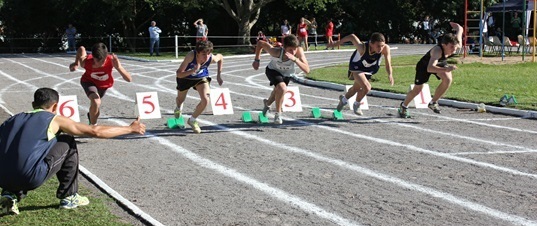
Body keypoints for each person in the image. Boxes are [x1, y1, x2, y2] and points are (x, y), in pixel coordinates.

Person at [0, 87, 146, 215]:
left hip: (2, 177)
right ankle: (69, 196)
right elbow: (95, 131)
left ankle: (9, 194)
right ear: (56, 106)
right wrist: (129, 128)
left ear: (33, 105)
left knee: (16, 148)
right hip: (29, 177)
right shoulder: (54, 119)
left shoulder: (12, 120)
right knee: (67, 141)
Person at [398, 22, 463, 118]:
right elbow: (430, 68)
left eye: (455, 47)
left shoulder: (456, 45)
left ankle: (433, 102)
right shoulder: (437, 51)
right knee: (417, 90)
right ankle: (403, 106)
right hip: (425, 66)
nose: (454, 50)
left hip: (440, 62)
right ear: (444, 45)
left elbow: (460, 32)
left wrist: (458, 27)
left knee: (448, 79)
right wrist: (446, 69)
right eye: (451, 47)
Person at [330, 33, 394, 115]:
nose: (380, 48)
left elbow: (388, 63)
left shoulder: (385, 48)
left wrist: (390, 74)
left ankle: (343, 100)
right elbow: (352, 37)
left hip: (368, 69)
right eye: (378, 46)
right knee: (367, 87)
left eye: (382, 45)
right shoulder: (362, 47)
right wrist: (336, 43)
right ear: (371, 43)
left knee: (355, 89)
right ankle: (356, 104)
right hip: (357, 67)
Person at [69, 43, 132, 125]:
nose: (100, 64)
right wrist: (76, 63)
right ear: (92, 57)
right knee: (96, 101)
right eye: (96, 61)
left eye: (103, 61)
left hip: (103, 85)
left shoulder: (112, 60)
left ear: (106, 57)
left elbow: (129, 79)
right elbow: (81, 48)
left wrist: (118, 67)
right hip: (88, 82)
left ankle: (91, 116)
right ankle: (93, 126)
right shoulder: (86, 62)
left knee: (95, 106)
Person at [252, 35, 310, 124]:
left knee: (278, 91)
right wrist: (257, 60)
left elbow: (307, 70)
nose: (293, 52)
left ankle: (267, 104)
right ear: (284, 48)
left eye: (295, 49)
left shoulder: (298, 52)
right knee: (282, 88)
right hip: (272, 70)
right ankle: (278, 115)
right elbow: (260, 43)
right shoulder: (275, 52)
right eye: (290, 49)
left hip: (287, 74)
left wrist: (295, 59)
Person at [173, 40, 223, 134]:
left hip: (200, 78)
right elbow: (179, 74)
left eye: (208, 53)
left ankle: (192, 120)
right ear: (197, 53)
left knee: (206, 100)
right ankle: (178, 107)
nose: (206, 57)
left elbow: (220, 57)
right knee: (180, 100)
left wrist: (219, 75)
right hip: (185, 78)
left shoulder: (211, 57)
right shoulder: (190, 56)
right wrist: (192, 70)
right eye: (204, 54)